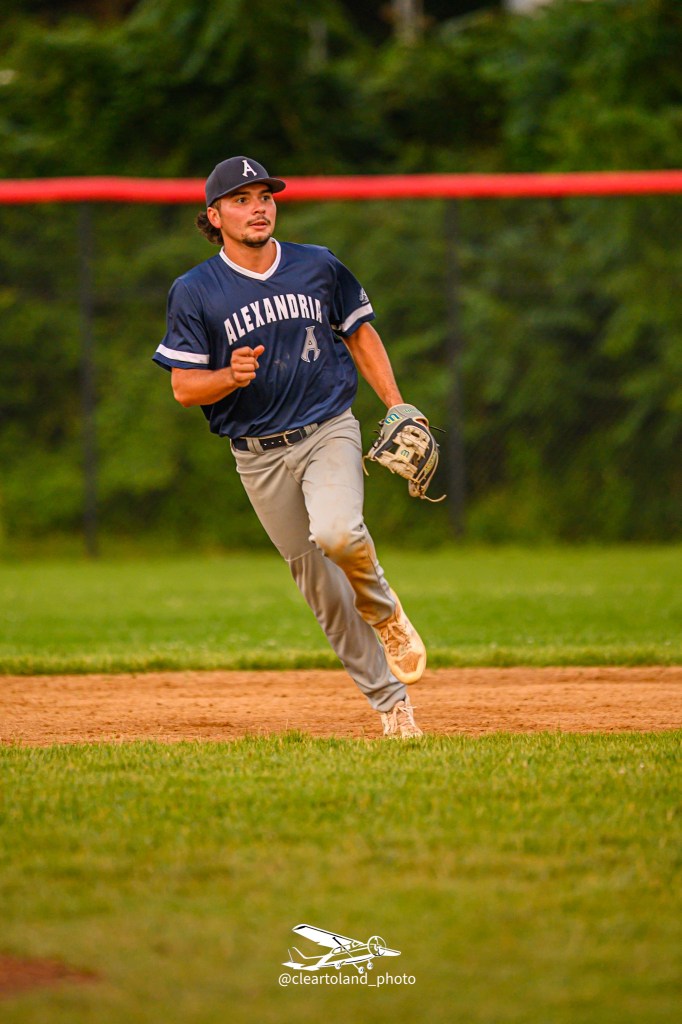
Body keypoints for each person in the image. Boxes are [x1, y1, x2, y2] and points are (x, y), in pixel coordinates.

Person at [153, 155, 427, 738]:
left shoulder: (317, 265)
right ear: (214, 216)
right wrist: (228, 376)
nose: (258, 208)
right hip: (257, 456)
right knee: (323, 592)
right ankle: (392, 705)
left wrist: (397, 404)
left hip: (327, 427)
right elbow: (184, 388)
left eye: (265, 197)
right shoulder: (195, 291)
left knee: (338, 533)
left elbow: (359, 333)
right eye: (241, 199)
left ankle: (384, 612)